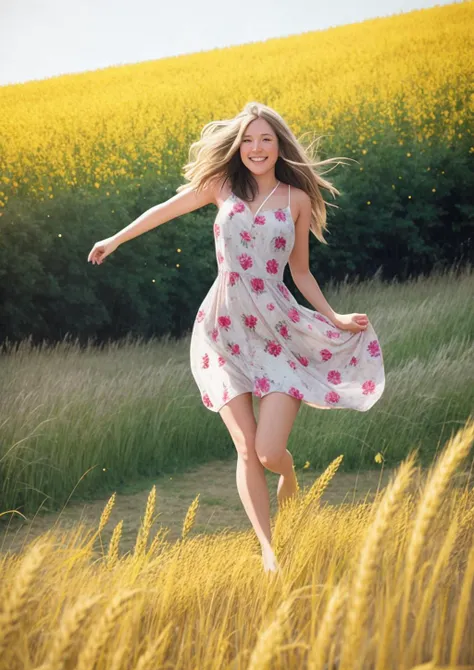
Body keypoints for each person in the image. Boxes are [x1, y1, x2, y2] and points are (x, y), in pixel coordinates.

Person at [88, 101, 385, 574]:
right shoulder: (219, 187)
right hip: (221, 330)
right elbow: (164, 210)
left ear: (279, 145)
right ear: (237, 147)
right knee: (246, 448)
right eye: (248, 139)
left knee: (269, 452)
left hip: (277, 329)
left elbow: (301, 272)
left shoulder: (296, 200)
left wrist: (333, 316)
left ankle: (287, 471)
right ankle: (270, 552)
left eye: (265, 139)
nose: (256, 147)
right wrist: (116, 239)